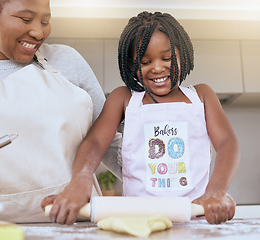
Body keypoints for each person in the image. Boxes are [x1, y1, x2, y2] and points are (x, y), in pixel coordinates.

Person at [42, 11, 240, 225]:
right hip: (138, 220)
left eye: (167, 58)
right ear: (131, 66)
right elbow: (95, 142)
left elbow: (227, 143)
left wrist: (216, 192)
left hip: (195, 216)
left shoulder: (202, 95)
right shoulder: (124, 98)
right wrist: (79, 181)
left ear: (182, 55)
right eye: (145, 62)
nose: (157, 67)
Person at [0, 0, 120, 223]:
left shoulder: (68, 61)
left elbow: (110, 142)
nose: (38, 32)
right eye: (26, 19)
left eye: (45, 21)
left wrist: (167, 190)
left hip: (74, 226)